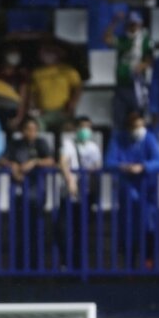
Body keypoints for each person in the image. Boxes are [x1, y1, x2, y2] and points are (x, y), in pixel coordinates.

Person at [105, 112, 159, 269]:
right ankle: (129, 266)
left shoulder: (149, 139)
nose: (138, 129)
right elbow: (109, 162)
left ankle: (149, 263)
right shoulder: (119, 139)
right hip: (127, 193)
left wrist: (143, 167)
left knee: (149, 227)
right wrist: (123, 167)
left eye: (140, 125)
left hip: (147, 193)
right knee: (128, 230)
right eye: (134, 126)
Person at [0, 117, 55, 271]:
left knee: (36, 229)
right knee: (19, 229)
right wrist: (12, 165)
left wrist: (35, 162)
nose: (30, 132)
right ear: (22, 130)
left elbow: (51, 160)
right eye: (27, 129)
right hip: (18, 194)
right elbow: (2, 160)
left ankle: (35, 266)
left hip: (37, 195)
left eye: (33, 129)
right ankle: (19, 266)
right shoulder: (15, 144)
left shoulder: (41, 143)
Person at [56, 115, 102, 270]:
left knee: (81, 231)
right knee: (63, 230)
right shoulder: (68, 144)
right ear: (76, 129)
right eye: (82, 127)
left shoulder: (93, 147)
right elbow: (63, 161)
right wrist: (70, 180)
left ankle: (79, 266)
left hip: (86, 195)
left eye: (88, 127)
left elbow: (97, 167)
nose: (85, 130)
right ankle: (65, 263)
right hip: (69, 195)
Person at [105, 10, 153, 130]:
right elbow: (107, 39)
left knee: (137, 116)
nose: (133, 27)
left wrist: (141, 66)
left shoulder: (145, 40)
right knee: (119, 117)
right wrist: (114, 22)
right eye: (130, 24)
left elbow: (149, 60)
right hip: (121, 83)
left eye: (135, 24)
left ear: (140, 24)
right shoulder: (123, 39)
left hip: (136, 85)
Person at [26, 42, 82, 137]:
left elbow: (77, 88)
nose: (48, 55)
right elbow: (32, 93)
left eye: (50, 52)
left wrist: (72, 104)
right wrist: (35, 108)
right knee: (35, 131)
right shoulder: (36, 73)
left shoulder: (68, 71)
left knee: (68, 131)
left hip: (63, 111)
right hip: (44, 113)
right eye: (44, 52)